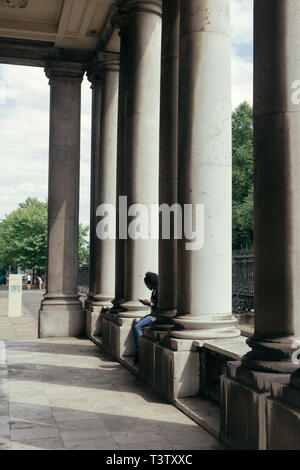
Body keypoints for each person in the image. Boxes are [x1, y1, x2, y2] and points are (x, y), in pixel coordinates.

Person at [132, 272, 158, 364]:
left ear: (151, 282)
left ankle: (139, 350)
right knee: (136, 325)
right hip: (153, 315)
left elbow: (160, 307)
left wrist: (149, 304)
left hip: (156, 317)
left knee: (137, 327)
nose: (147, 287)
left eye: (147, 284)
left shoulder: (158, 290)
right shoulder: (155, 290)